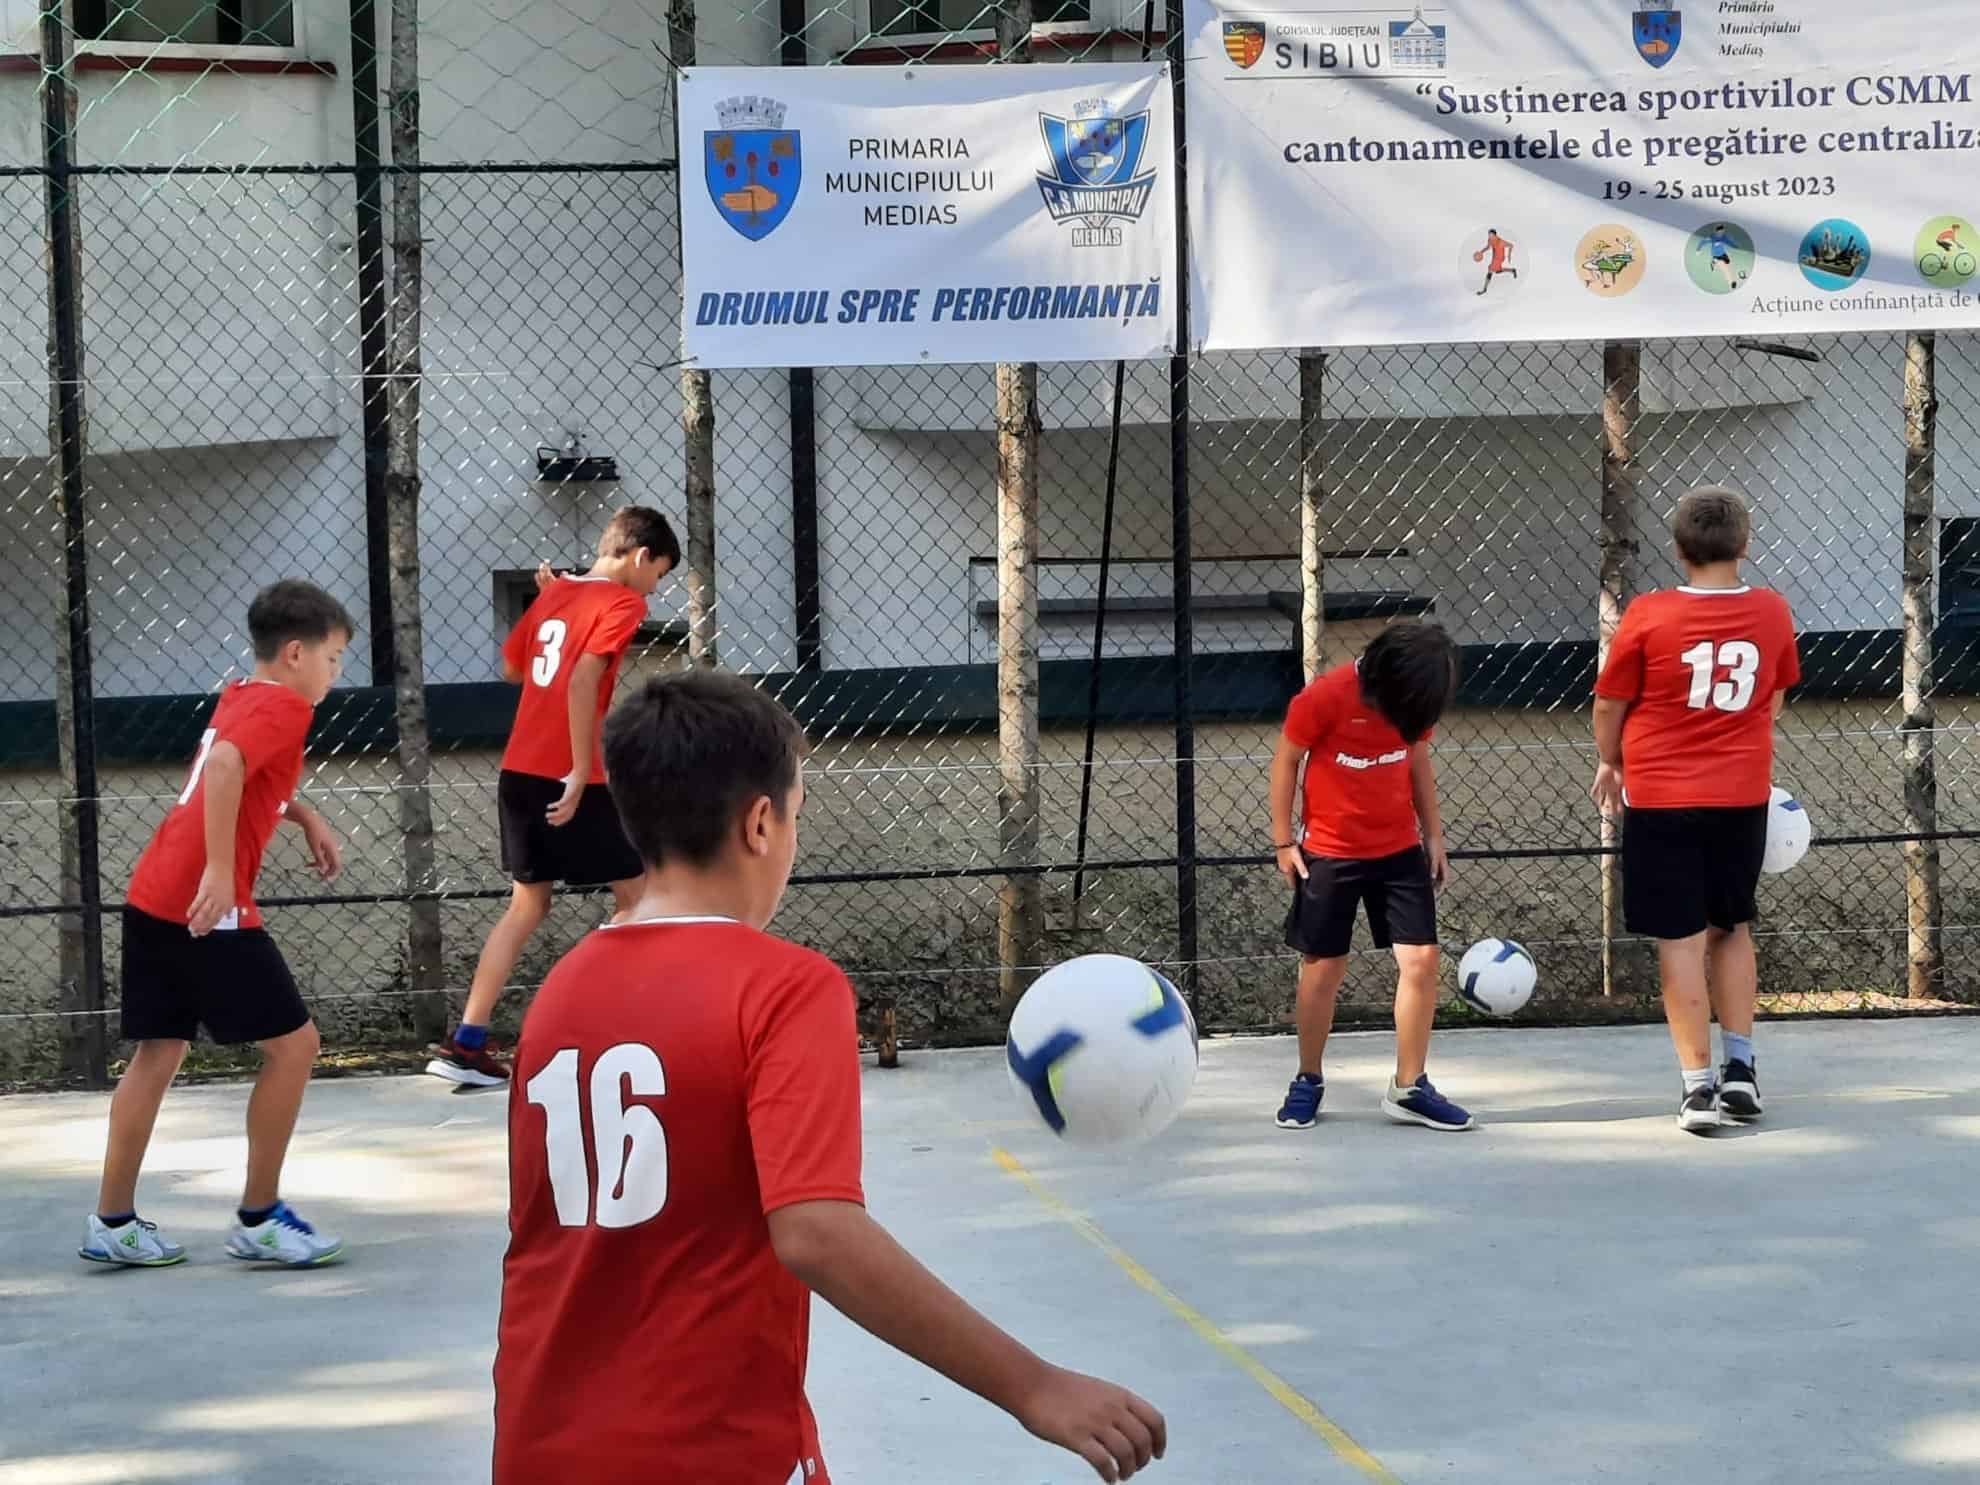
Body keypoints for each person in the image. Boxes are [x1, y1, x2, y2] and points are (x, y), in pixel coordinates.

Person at [493, 670, 1167, 1483]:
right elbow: (815, 1230)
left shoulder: (559, 993)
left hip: (540, 1445)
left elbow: (540, 1235)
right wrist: (1037, 1386)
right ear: (762, 822)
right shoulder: (785, 986)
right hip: (710, 1450)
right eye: (799, 816)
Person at [79, 580, 352, 1270]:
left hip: (154, 891)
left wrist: (305, 815)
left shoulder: (242, 693)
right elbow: (228, 765)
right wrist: (223, 874)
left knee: (159, 1051)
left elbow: (232, 771)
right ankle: (260, 1217)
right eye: (335, 657)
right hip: (205, 906)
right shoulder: (287, 707)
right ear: (295, 653)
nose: (335, 672)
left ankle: (112, 1220)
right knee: (296, 1047)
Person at [426, 505, 679, 1086]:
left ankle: (467, 1043)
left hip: (519, 771)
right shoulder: (623, 603)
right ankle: (610, 1024)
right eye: (659, 574)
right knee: (641, 900)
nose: (655, 588)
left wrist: (547, 604)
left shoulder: (558, 592)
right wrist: (580, 767)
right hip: (572, 776)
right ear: (641, 557)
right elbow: (583, 679)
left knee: (527, 907)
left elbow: (515, 669)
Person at [1592, 486, 1800, 1134]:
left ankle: (1697, 1087)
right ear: (1745, 544)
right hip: (1740, 796)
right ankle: (1742, 1068)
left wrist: (1613, 758)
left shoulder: (1650, 614)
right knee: (1732, 926)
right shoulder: (1770, 610)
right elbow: (1773, 697)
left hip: (1662, 798)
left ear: (1678, 549)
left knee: (1679, 940)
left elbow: (1608, 704)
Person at [1269, 620, 1472, 1132]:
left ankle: (1410, 1086)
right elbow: (1286, 760)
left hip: (1398, 850)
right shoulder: (1325, 698)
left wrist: (1435, 836)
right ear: (1384, 679)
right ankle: (1308, 1079)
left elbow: (1418, 760)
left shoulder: (1412, 700)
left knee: (1423, 960)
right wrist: (1282, 841)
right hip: (1330, 854)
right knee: (1323, 969)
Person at [1474, 228, 1517, 295]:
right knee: (1498, 271)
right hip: (1494, 258)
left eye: (1491, 235)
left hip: (1500, 258)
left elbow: (1511, 245)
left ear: (1495, 235)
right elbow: (1488, 247)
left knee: (1490, 271)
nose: (1489, 236)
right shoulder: (1490, 240)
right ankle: (1512, 270)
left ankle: (1484, 289)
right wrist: (1481, 252)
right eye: (1489, 235)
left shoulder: (1501, 242)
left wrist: (1509, 255)